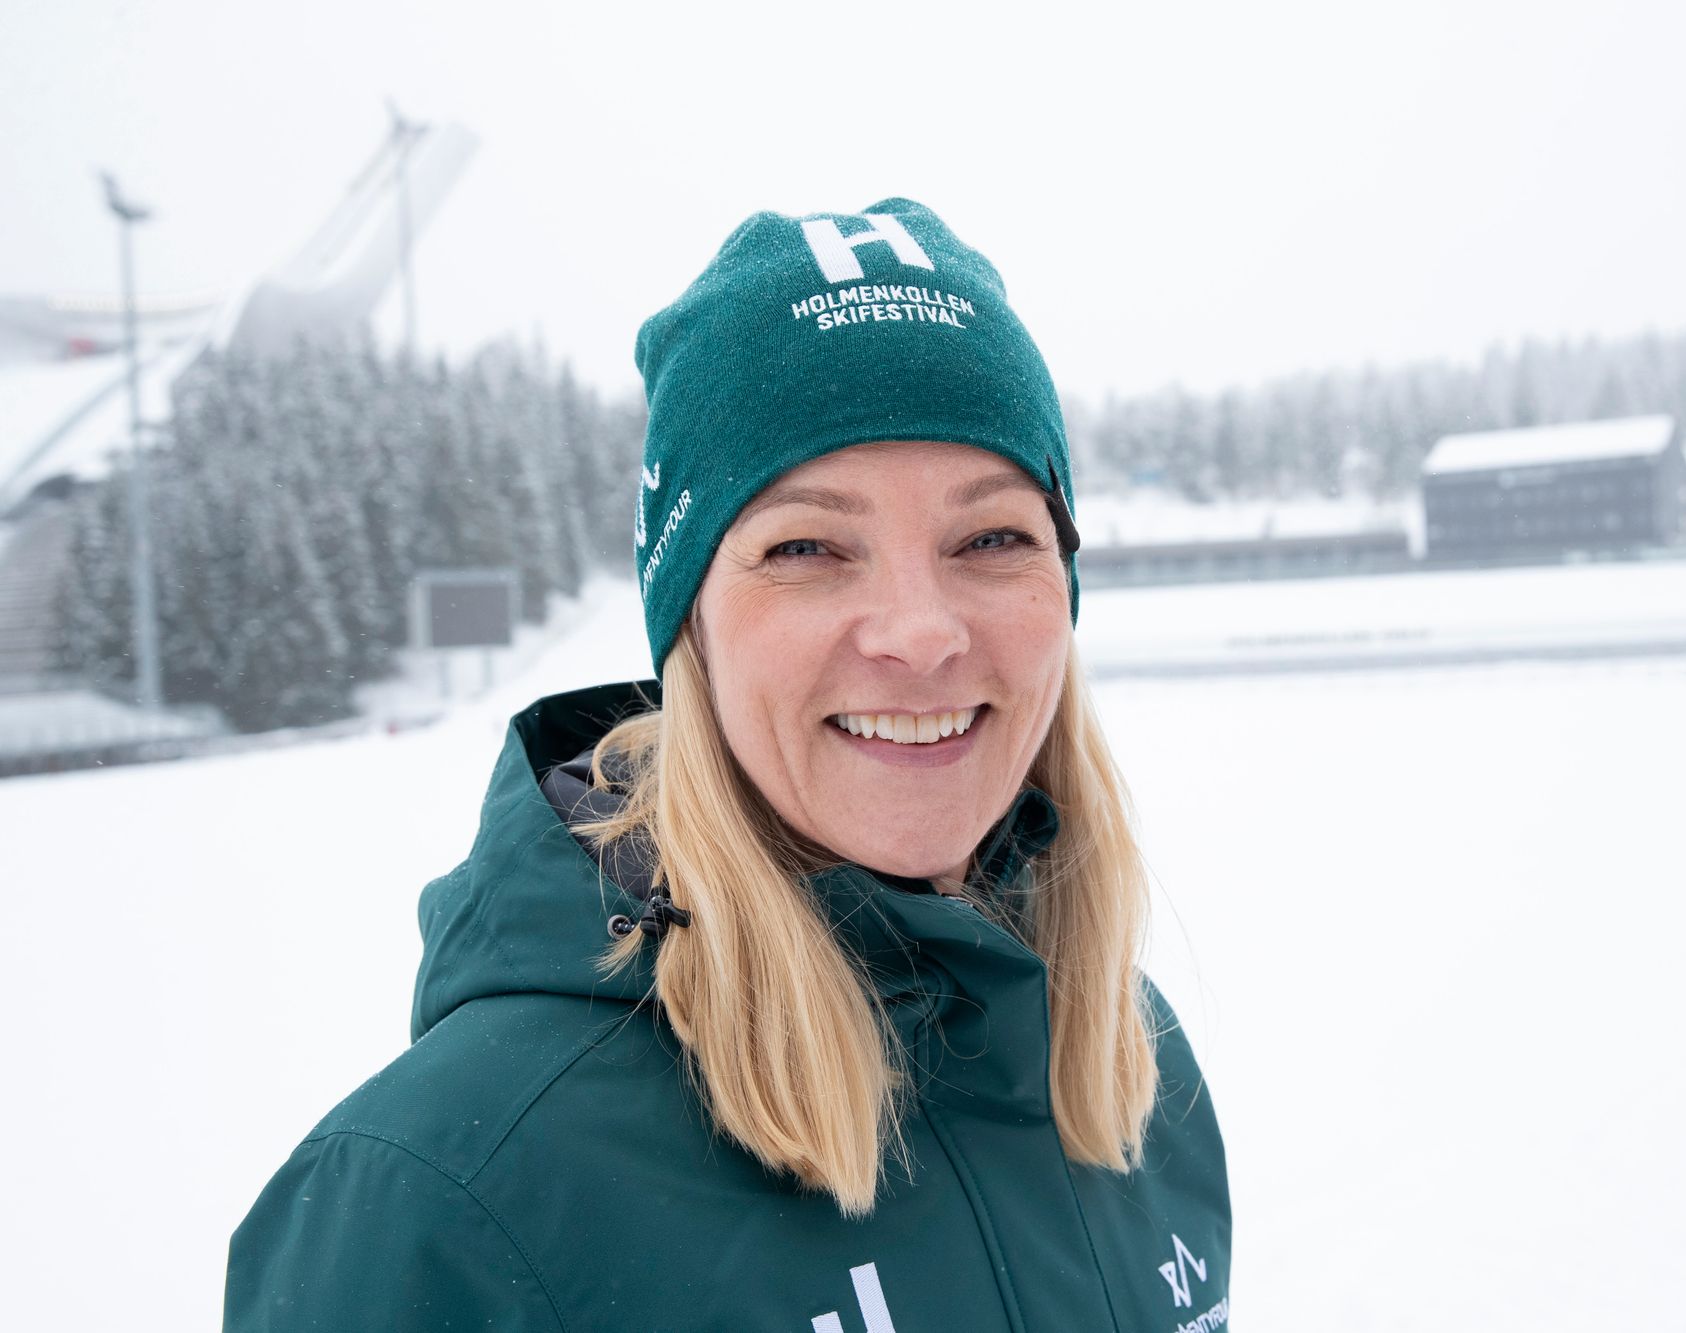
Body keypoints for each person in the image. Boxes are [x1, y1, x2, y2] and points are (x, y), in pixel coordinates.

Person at [224, 198, 1232, 1331]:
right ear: (688, 625)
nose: (920, 630)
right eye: (805, 545)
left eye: (991, 537)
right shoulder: (443, 1200)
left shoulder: (1120, 1064)